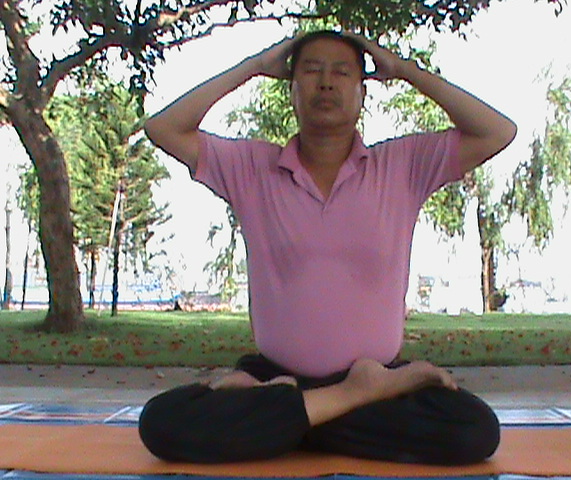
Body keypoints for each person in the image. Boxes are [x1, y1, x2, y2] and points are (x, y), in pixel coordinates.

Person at [139, 30, 517, 466]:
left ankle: (285, 421)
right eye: (311, 70)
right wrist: (252, 67)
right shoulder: (251, 168)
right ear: (291, 90)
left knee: (473, 430)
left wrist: (404, 70)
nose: (325, 82)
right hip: (280, 376)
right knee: (161, 423)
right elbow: (163, 128)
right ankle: (343, 402)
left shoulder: (402, 166)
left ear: (362, 93)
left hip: (374, 381)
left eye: (341, 72)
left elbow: (497, 131)